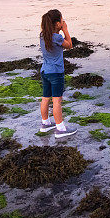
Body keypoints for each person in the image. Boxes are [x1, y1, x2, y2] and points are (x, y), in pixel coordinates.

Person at [39, 9, 77, 138]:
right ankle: (60, 128)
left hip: (45, 71)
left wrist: (59, 29)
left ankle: (45, 124)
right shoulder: (57, 37)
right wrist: (65, 29)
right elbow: (69, 45)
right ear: (56, 23)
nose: (63, 22)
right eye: (62, 20)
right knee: (57, 101)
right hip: (56, 72)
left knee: (45, 98)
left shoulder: (42, 35)